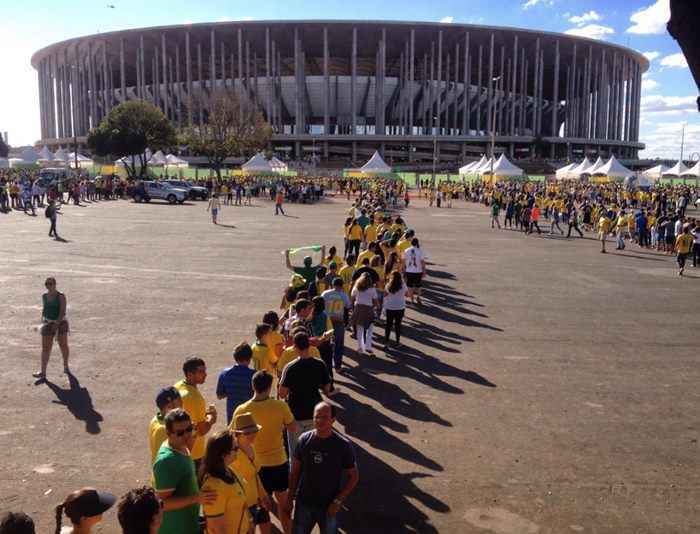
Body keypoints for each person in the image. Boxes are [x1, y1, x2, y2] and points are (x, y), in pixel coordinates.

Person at [233, 371, 296, 534]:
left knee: (262, 507)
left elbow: (232, 434)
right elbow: (292, 427)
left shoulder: (241, 410)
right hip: (279, 462)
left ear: (253, 386)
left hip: (256, 467)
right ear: (269, 388)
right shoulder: (280, 406)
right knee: (284, 504)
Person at [286, 402, 359, 534]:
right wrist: (290, 498)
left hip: (329, 505)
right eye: (316, 417)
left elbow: (354, 477)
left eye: (324, 417)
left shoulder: (343, 445)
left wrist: (338, 501)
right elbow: (295, 472)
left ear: (333, 420)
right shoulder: (304, 440)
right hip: (304, 503)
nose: (319, 421)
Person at [153, 408, 216, 534]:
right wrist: (196, 499)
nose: (186, 435)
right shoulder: (166, 461)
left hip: (189, 524)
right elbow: (161, 503)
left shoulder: (180, 445)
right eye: (180, 432)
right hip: (176, 529)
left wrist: (209, 420)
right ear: (168, 433)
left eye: (188, 429)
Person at [279, 332, 331, 455]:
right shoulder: (320, 364)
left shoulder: (290, 368)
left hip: (295, 415)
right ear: (309, 345)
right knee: (313, 452)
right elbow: (327, 389)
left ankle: (295, 474)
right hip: (314, 413)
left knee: (295, 452)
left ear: (295, 347)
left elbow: (282, 393)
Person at [200, 430, 251, 534]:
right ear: (223, 454)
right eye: (235, 448)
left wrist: (249, 522)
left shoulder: (230, 470)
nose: (238, 451)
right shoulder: (213, 487)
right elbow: (216, 527)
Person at [231, 413, 273, 534]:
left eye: (254, 431)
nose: (252, 434)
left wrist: (263, 494)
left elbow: (255, 475)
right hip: (244, 506)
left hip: (257, 500)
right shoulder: (233, 455)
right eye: (247, 433)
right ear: (237, 434)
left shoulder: (251, 447)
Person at [174, 357, 218, 469]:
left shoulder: (177, 387)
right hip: (195, 454)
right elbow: (202, 430)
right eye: (201, 372)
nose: (205, 374)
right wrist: (211, 419)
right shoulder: (195, 398)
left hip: (178, 449)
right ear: (190, 374)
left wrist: (203, 414)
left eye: (205, 370)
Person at [34, 277, 69, 382]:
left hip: (61, 323)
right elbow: (45, 309)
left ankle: (66, 366)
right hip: (47, 323)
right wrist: (42, 323)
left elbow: (62, 311)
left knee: (63, 345)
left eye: (50, 284)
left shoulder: (61, 296)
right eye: (47, 284)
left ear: (55, 284)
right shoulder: (44, 296)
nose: (48, 286)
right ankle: (43, 372)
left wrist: (57, 324)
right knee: (45, 348)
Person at [216, 342, 256, 425]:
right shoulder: (254, 375)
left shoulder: (225, 373)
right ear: (250, 358)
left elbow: (219, 395)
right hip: (250, 416)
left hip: (232, 416)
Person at [321, 278, 351, 373]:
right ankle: (338, 366)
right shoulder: (344, 295)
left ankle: (324, 365)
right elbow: (348, 306)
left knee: (324, 343)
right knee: (339, 344)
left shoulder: (325, 293)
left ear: (332, 284)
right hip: (338, 320)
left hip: (326, 321)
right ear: (342, 286)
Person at [149, 387, 183, 464]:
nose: (182, 406)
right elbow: (176, 456)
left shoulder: (156, 419)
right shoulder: (164, 429)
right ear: (169, 407)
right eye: (180, 403)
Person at [350, 273, 379, 355]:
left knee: (360, 329)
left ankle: (360, 348)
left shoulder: (356, 288)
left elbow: (352, 299)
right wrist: (376, 307)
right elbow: (376, 302)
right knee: (370, 329)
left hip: (358, 309)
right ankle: (368, 347)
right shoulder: (372, 289)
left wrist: (353, 309)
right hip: (369, 309)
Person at [383, 271, 407, 346]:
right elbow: (407, 294)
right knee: (398, 325)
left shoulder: (388, 285)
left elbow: (385, 295)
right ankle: (397, 341)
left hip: (390, 307)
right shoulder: (403, 285)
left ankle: (386, 342)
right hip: (400, 307)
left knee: (388, 325)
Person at [403, 238, 427, 305]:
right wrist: (424, 270)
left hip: (409, 271)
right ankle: (418, 297)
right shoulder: (419, 251)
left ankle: (412, 299)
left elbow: (404, 261)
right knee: (418, 285)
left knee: (409, 286)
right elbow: (422, 261)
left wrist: (404, 269)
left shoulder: (406, 250)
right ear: (417, 243)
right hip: (418, 271)